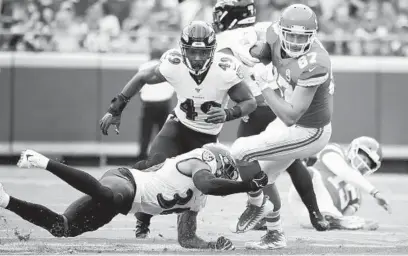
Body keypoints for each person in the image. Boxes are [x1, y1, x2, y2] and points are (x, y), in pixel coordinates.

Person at [99, 20, 257, 238]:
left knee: (193, 187)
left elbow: (250, 102)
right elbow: (142, 76)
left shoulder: (224, 70)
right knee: (154, 166)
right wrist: (115, 109)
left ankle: (187, 234)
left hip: (206, 137)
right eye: (192, 52)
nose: (198, 58)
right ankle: (143, 219)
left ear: (212, 51)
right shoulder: (174, 64)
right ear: (183, 51)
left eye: (203, 53)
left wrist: (229, 113)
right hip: (178, 126)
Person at [213, 1, 329, 249]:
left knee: (240, 151)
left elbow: (290, 116)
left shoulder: (316, 63)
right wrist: (250, 53)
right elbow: (267, 49)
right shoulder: (274, 32)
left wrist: (264, 85)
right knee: (260, 176)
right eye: (292, 35)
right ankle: (275, 233)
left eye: (303, 37)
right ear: (282, 29)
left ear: (313, 36)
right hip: (285, 121)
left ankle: (255, 206)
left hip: (309, 130)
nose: (296, 43)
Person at [0, 143, 268, 250]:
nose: (226, 175)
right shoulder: (199, 164)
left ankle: (5, 201)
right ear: (219, 161)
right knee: (112, 196)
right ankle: (43, 161)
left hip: (126, 202)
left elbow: (186, 238)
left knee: (63, 228)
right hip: (126, 181)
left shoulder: (199, 198)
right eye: (227, 171)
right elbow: (207, 183)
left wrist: (211, 246)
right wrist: (247, 186)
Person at [288, 137, 391, 230]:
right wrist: (374, 192)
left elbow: (346, 216)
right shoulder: (336, 151)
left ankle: (334, 220)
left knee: (332, 220)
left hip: (318, 213)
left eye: (368, 164)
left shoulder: (357, 197)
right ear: (354, 149)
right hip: (304, 193)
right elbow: (345, 172)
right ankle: (340, 220)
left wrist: (348, 221)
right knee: (311, 174)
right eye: (363, 159)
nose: (363, 165)